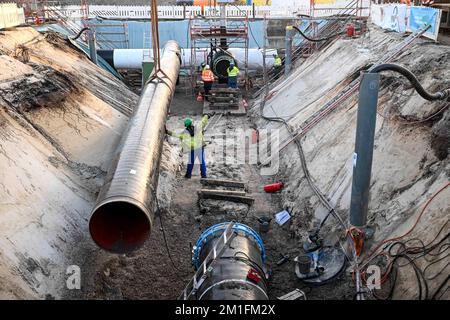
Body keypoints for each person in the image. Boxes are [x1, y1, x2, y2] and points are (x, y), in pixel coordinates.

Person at [166, 114, 214, 179]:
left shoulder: (184, 133)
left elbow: (176, 135)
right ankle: (204, 175)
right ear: (191, 123)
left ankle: (188, 175)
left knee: (190, 162)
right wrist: (207, 116)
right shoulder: (198, 127)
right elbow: (203, 121)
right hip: (200, 147)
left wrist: (168, 132)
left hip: (192, 149)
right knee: (202, 161)